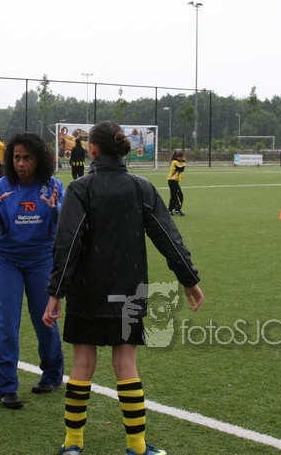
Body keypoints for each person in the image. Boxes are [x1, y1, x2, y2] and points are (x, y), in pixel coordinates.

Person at [43, 121, 204, 455]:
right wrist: (188, 278)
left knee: (82, 364)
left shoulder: (81, 188)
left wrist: (56, 292)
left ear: (92, 150)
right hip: (128, 290)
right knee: (126, 364)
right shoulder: (141, 187)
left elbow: (67, 244)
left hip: (86, 291)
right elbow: (167, 236)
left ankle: (72, 444)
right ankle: (137, 446)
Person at [0, 132, 64, 410]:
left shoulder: (53, 186)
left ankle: (52, 374)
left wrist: (56, 210)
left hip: (41, 259)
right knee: (6, 323)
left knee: (46, 320)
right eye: (17, 158)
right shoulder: (1, 187)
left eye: (28, 158)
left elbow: (64, 226)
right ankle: (5, 387)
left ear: (39, 159)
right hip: (7, 259)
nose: (21, 164)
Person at [166, 150, 186, 216]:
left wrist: (182, 162)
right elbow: (181, 169)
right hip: (172, 181)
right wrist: (183, 162)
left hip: (174, 181)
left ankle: (169, 210)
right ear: (179, 157)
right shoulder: (175, 162)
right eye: (182, 157)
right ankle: (177, 210)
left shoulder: (178, 162)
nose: (183, 158)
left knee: (173, 196)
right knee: (179, 196)